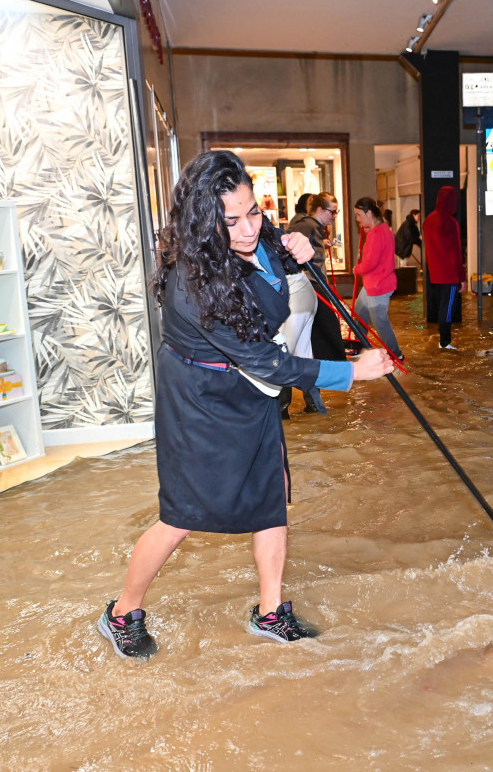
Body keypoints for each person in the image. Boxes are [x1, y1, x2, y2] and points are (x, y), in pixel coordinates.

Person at [97, 151, 393, 659]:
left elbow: (277, 277)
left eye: (252, 211)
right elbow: (271, 363)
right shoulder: (192, 284)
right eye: (229, 220)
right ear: (202, 221)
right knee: (183, 513)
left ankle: (270, 611)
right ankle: (122, 612)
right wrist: (351, 371)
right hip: (200, 397)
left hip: (248, 389)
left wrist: (299, 247)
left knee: (270, 492)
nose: (247, 228)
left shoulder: (260, 232)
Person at [288, 192, 347, 367]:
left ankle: (326, 369)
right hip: (311, 284)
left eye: (337, 212)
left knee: (318, 328)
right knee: (328, 326)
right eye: (332, 212)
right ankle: (335, 368)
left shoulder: (313, 226)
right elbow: (285, 242)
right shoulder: (307, 225)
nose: (335, 216)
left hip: (313, 283)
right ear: (320, 210)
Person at [278, 191, 321, 418]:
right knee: (302, 355)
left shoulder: (263, 240)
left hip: (296, 294)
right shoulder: (270, 236)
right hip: (302, 291)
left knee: (283, 356)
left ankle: (280, 413)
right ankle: (315, 407)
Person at [351, 197, 403, 361]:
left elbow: (369, 264)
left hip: (379, 285)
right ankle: (361, 346)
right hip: (372, 283)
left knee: (379, 321)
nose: (358, 219)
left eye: (359, 215)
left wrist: (356, 269)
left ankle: (396, 354)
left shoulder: (376, 234)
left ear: (368, 213)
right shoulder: (382, 229)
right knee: (359, 312)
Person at [423, 186, 467, 350]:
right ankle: (445, 342)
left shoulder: (429, 220)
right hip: (449, 275)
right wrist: (461, 277)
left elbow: (428, 249)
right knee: (447, 309)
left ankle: (443, 340)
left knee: (442, 307)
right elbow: (455, 253)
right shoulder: (450, 222)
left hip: (435, 273)